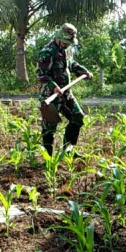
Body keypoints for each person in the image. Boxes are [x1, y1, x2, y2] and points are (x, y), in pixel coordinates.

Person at [37, 23, 93, 157]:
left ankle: (68, 152)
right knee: (49, 127)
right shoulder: (47, 52)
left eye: (69, 42)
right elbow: (41, 75)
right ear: (59, 37)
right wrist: (54, 87)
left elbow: (71, 64)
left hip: (66, 94)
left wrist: (83, 71)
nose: (67, 44)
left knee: (77, 117)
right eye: (66, 42)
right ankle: (48, 158)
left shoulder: (66, 49)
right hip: (51, 97)